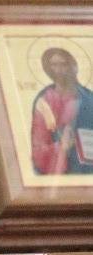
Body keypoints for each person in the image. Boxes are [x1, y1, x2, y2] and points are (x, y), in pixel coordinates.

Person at [32, 47, 93, 175]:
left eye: (63, 64)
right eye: (54, 65)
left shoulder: (88, 98)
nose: (59, 69)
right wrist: (61, 147)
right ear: (49, 69)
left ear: (72, 66)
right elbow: (39, 147)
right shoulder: (44, 102)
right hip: (60, 170)